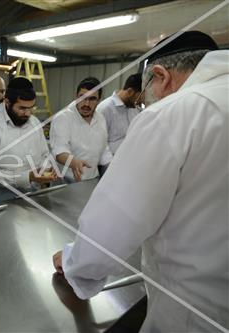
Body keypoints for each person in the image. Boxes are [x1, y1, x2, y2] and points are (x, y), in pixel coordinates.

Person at [53, 31, 228, 332]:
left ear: (160, 76)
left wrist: (74, 262)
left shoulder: (174, 113)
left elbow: (114, 223)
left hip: (194, 313)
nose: (150, 102)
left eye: (149, 92)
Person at [0, 77, 57, 202]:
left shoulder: (34, 123)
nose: (27, 113)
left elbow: (44, 154)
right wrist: (27, 177)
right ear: (7, 102)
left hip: (32, 197)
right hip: (3, 201)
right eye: (22, 108)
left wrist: (46, 169)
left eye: (31, 108)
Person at [49, 77, 112, 182]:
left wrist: (114, 168)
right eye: (82, 97)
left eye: (92, 99)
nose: (86, 104)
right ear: (76, 96)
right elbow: (59, 151)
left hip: (92, 179)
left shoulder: (100, 119)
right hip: (65, 181)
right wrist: (74, 162)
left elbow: (104, 151)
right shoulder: (63, 118)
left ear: (99, 100)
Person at [96, 73, 142, 154]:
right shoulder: (105, 109)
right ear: (130, 92)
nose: (141, 102)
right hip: (111, 164)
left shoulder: (135, 109)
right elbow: (97, 143)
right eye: (140, 97)